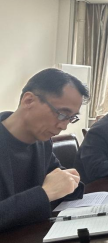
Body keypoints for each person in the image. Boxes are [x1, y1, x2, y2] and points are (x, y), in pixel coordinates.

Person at [0, 69, 88, 232]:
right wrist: (45, 193)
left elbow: (59, 179)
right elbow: (49, 191)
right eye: (61, 114)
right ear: (28, 100)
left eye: (71, 118)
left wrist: (70, 181)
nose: (64, 126)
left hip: (33, 240)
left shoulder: (43, 143)